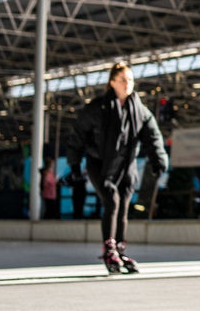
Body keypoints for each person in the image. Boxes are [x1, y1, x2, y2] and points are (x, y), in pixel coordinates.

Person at [67, 61, 169, 273]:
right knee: (111, 200)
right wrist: (74, 164)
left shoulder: (139, 111)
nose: (127, 84)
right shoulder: (98, 108)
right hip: (100, 163)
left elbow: (152, 136)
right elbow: (78, 135)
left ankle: (120, 249)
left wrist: (159, 160)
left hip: (126, 165)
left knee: (123, 206)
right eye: (123, 80)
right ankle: (109, 248)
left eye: (130, 80)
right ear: (112, 82)